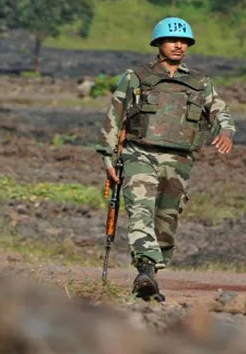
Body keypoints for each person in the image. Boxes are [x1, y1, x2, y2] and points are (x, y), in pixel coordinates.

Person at [96, 17, 235, 301]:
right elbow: (114, 117)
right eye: (173, 40)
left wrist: (226, 132)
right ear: (159, 43)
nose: (179, 45)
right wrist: (108, 158)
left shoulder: (200, 82)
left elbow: (220, 112)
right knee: (141, 211)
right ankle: (144, 268)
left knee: (166, 220)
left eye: (184, 41)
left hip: (179, 161)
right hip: (139, 153)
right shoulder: (135, 77)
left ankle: (150, 279)